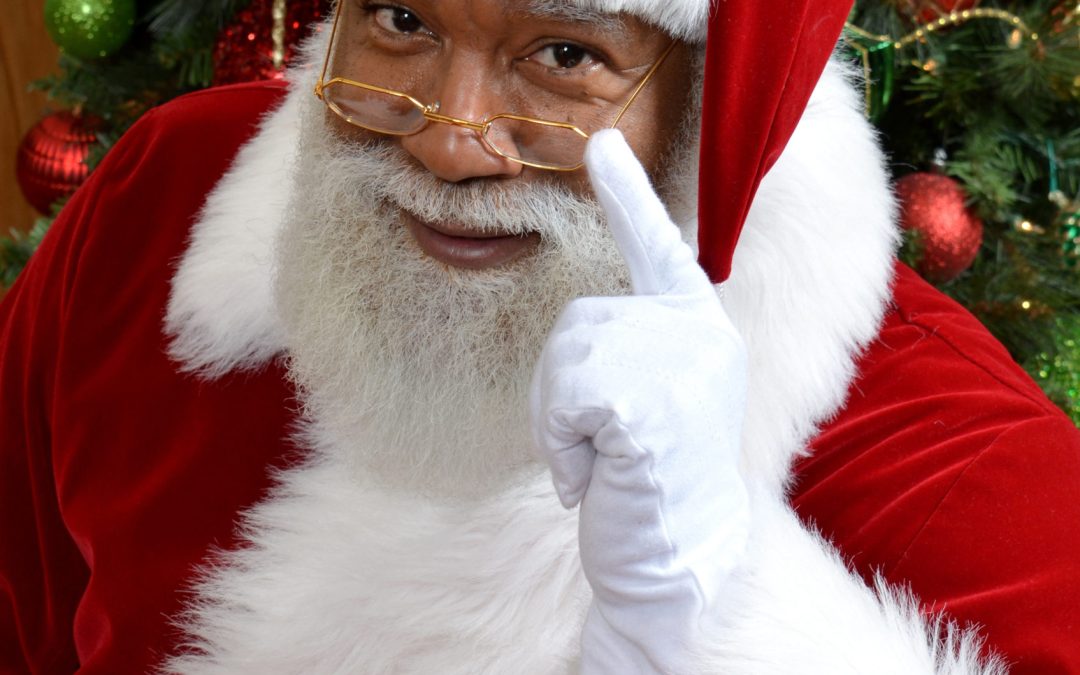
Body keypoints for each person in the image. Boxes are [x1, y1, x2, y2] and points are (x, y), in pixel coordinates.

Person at [2, 0, 1079, 672]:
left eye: (563, 51)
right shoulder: (165, 197)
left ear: (718, 109)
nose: (451, 136)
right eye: (403, 22)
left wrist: (714, 624)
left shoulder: (968, 468)